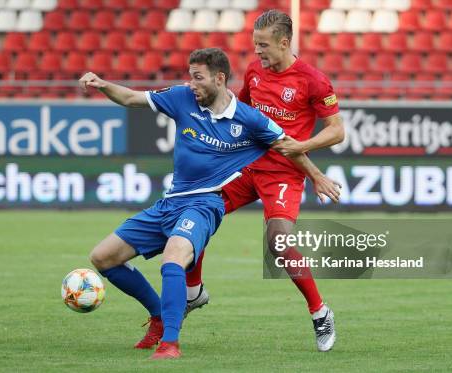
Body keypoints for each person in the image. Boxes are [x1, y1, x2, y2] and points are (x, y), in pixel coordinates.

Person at [79, 48, 331, 360]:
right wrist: (102, 84)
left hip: (204, 205)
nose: (192, 84)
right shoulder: (181, 97)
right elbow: (132, 99)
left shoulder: (249, 120)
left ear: (219, 78)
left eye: (198, 78)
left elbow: (288, 148)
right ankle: (160, 313)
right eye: (190, 76)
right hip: (170, 203)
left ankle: (170, 343)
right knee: (102, 257)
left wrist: (317, 176)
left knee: (173, 259)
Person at [184, 10, 345, 353]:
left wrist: (303, 148)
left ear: (284, 42)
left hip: (283, 173)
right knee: (193, 213)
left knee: (279, 244)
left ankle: (320, 312)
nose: (257, 52)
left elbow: (337, 131)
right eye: (255, 44)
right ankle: (193, 292)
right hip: (245, 167)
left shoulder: (313, 80)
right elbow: (241, 110)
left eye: (263, 45)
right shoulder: (256, 71)